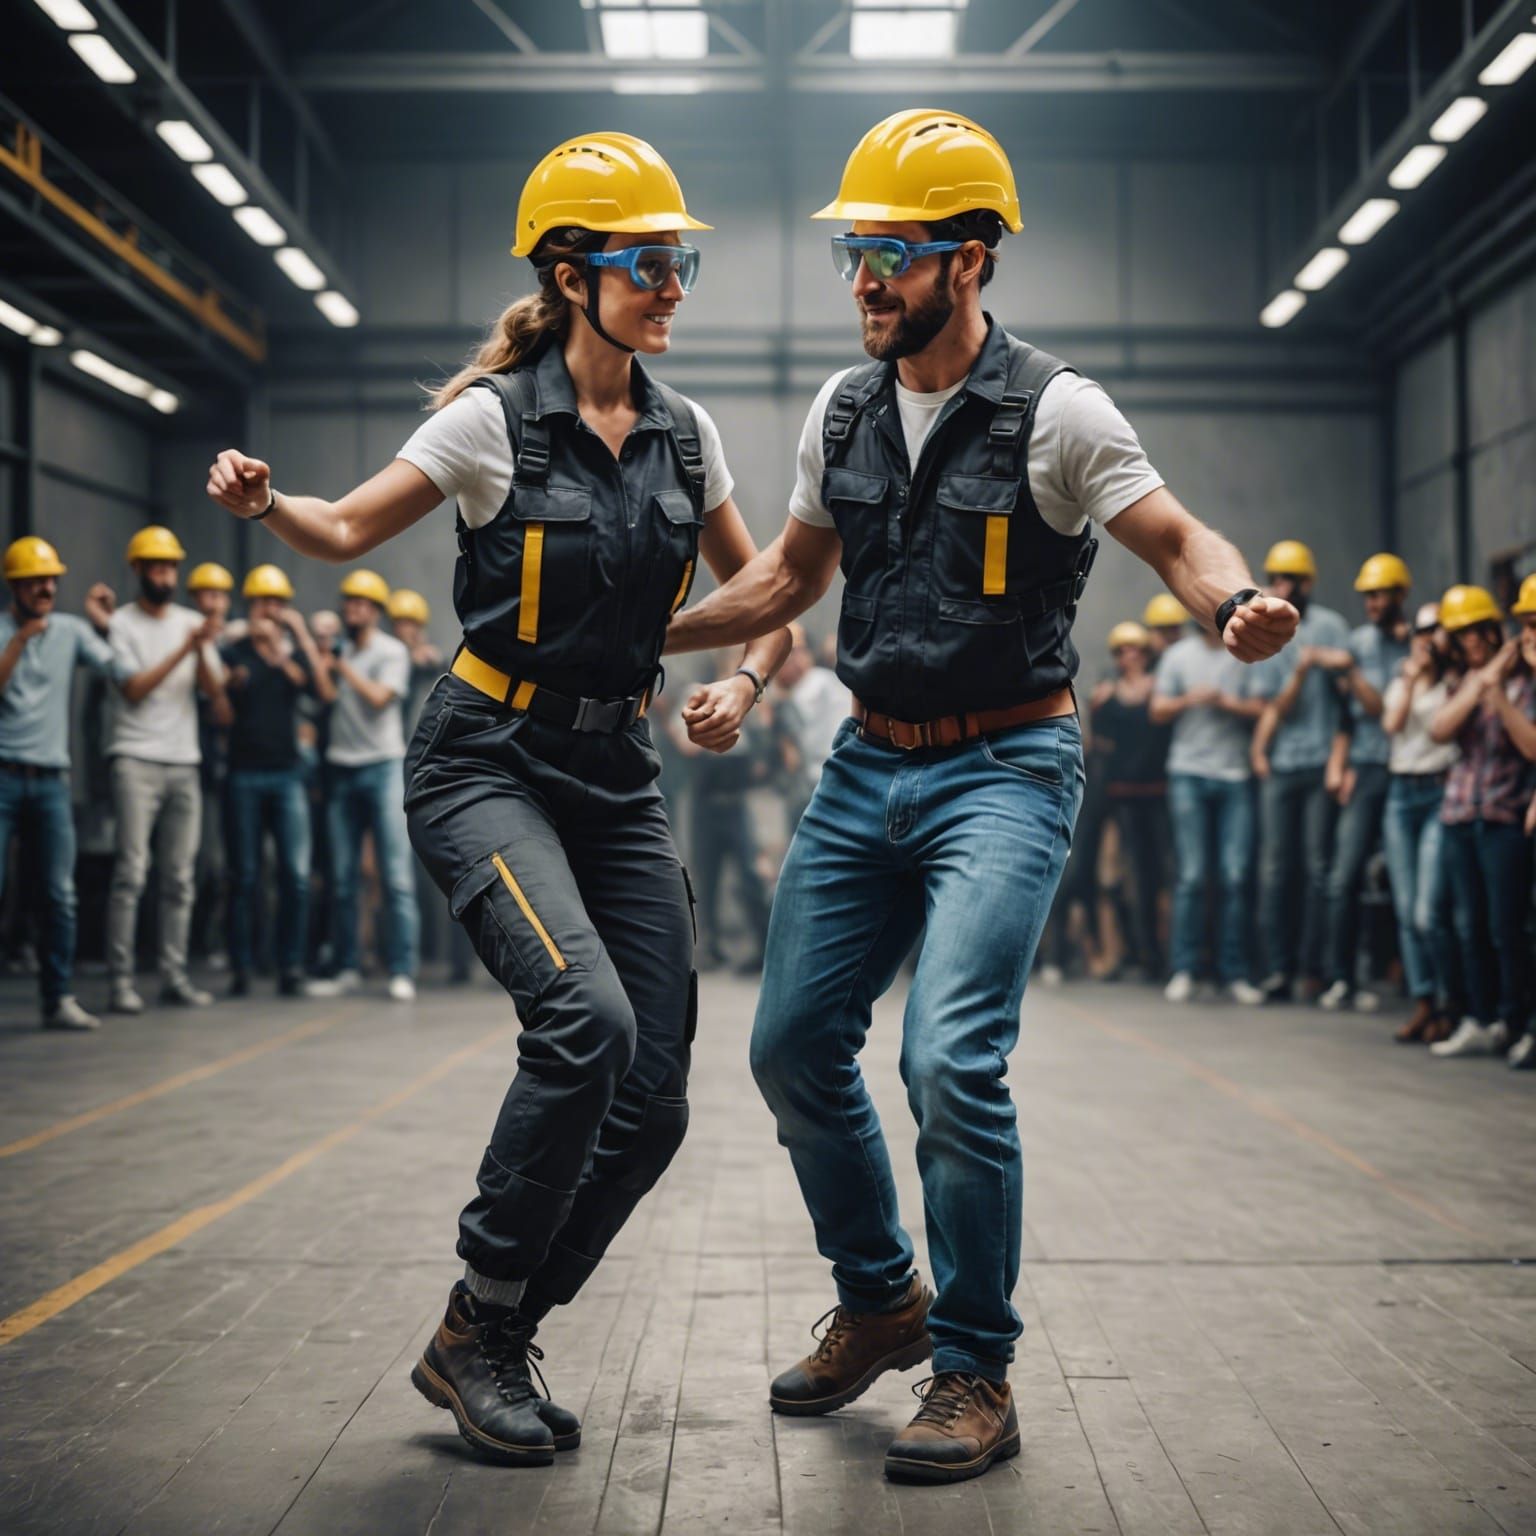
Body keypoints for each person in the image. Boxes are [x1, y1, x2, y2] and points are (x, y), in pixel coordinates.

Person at [662, 108, 1298, 1485]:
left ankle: (972, 1366)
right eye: (853, 249)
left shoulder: (1058, 412)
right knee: (787, 1047)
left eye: (889, 250)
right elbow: (783, 584)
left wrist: (1235, 602)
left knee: (949, 1058)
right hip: (867, 765)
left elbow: (1180, 539)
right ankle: (880, 1294)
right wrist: (627, 635)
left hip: (1006, 767)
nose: (863, 278)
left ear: (974, 256)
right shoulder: (844, 409)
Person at [207, 130, 790, 1467]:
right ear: (574, 273)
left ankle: (491, 1330)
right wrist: (267, 501)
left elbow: (770, 600)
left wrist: (745, 685)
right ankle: (482, 1326)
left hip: (616, 776)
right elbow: (349, 528)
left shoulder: (688, 435)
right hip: (484, 758)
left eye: (681, 262)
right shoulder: (487, 421)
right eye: (654, 262)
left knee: (655, 1100)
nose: (676, 285)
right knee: (584, 1020)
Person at [0, 537, 124, 1029]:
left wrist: (104, 624)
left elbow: (120, 668)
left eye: (52, 579)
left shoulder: (71, 631)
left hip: (51, 781)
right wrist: (21, 640)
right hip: (3, 776)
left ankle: (58, 998)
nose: (47, 587)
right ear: (16, 585)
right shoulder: (4, 631)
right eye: (36, 580)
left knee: (59, 894)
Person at [105, 526, 227, 1014]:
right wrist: (185, 646)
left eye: (170, 566)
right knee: (132, 873)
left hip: (184, 762)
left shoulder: (190, 623)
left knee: (179, 878)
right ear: (136, 570)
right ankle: (120, 982)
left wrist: (199, 648)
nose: (165, 575)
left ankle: (173, 976)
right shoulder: (119, 625)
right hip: (134, 759)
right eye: (155, 566)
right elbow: (133, 690)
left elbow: (219, 706)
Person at [1428, 585, 1535, 1063]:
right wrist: (1486, 680)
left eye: (1475, 631)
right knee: (1466, 926)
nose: (1469, 641)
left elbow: (1531, 747)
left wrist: (1501, 696)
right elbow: (1440, 729)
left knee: (1505, 929)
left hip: (1502, 817)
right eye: (1460, 634)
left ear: (1493, 630)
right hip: (1458, 814)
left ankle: (1514, 1020)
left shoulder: (1525, 685)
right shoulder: (1463, 682)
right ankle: (1481, 1017)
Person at [301, 569, 418, 1001]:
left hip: (383, 767)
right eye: (348, 603)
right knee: (342, 877)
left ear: (375, 612)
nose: (352, 609)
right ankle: (347, 966)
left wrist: (341, 665)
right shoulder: (340, 650)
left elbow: (378, 699)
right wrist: (320, 656)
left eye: (360, 604)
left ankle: (402, 969)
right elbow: (327, 699)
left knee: (395, 875)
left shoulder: (391, 652)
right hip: (342, 768)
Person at [1246, 540, 1352, 1002]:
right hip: (1283, 764)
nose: (1280, 585)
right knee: (1273, 870)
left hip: (1321, 764)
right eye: (1275, 577)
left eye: (1288, 579)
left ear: (1307, 583)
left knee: (1317, 868)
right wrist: (1303, 671)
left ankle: (1316, 970)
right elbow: (1272, 707)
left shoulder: (1332, 626)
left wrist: (1341, 760)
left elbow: (1350, 696)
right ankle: (1277, 970)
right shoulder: (1266, 630)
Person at [222, 564, 335, 997]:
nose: (271, 610)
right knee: (244, 876)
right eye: (263, 601)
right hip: (243, 774)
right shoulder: (233, 652)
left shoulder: (293, 657)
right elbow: (218, 702)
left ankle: (291, 967)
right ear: (251, 605)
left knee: (296, 876)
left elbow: (323, 693)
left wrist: (291, 645)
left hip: (288, 775)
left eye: (278, 602)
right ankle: (242, 967)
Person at [1150, 612, 1265, 1004]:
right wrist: (1188, 700)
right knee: (1193, 876)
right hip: (1188, 773)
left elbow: (1264, 708)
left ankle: (1234, 972)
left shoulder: (1243, 654)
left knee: (1234, 876)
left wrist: (1226, 702)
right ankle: (1185, 969)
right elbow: (1157, 709)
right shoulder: (1178, 656)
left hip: (1235, 773)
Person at [1319, 554, 1412, 1011]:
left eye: (1380, 594)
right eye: (1367, 596)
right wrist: (1339, 764)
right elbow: (1348, 719)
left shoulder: (1418, 645)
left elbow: (1380, 710)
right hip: (1365, 768)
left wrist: (1350, 671)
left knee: (1407, 884)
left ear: (1400, 595)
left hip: (1410, 770)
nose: (1372, 603)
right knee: (1343, 876)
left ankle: (1416, 984)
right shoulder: (1356, 642)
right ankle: (1343, 979)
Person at [1380, 602, 1460, 1043]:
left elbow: (1439, 734)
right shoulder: (1401, 680)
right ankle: (1424, 1003)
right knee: (1407, 909)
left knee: (1430, 912)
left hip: (1438, 792)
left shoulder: (1454, 682)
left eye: (1435, 630)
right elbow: (1392, 725)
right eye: (1420, 630)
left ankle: (1450, 1002)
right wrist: (1411, 680)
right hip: (1400, 795)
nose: (1426, 638)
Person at [1090, 622, 1169, 980]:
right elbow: (1100, 743)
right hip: (1122, 795)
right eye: (1122, 651)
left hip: (1158, 791)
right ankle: (1134, 953)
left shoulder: (1159, 691)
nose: (1129, 656)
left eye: (1135, 649)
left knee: (1160, 873)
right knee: (1126, 876)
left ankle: (1158, 954)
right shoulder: (1107, 698)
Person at [187, 562, 235, 970]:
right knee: (199, 861)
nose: (213, 603)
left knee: (224, 864)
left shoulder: (236, 640)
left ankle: (214, 942)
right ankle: (194, 945)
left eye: (220, 595)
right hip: (195, 761)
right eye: (207, 594)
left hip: (231, 764)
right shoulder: (185, 635)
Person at [1142, 592, 1190, 663]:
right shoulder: (1141, 664)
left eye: (1173, 629)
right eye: (1163, 631)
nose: (1169, 636)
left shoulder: (1190, 661)